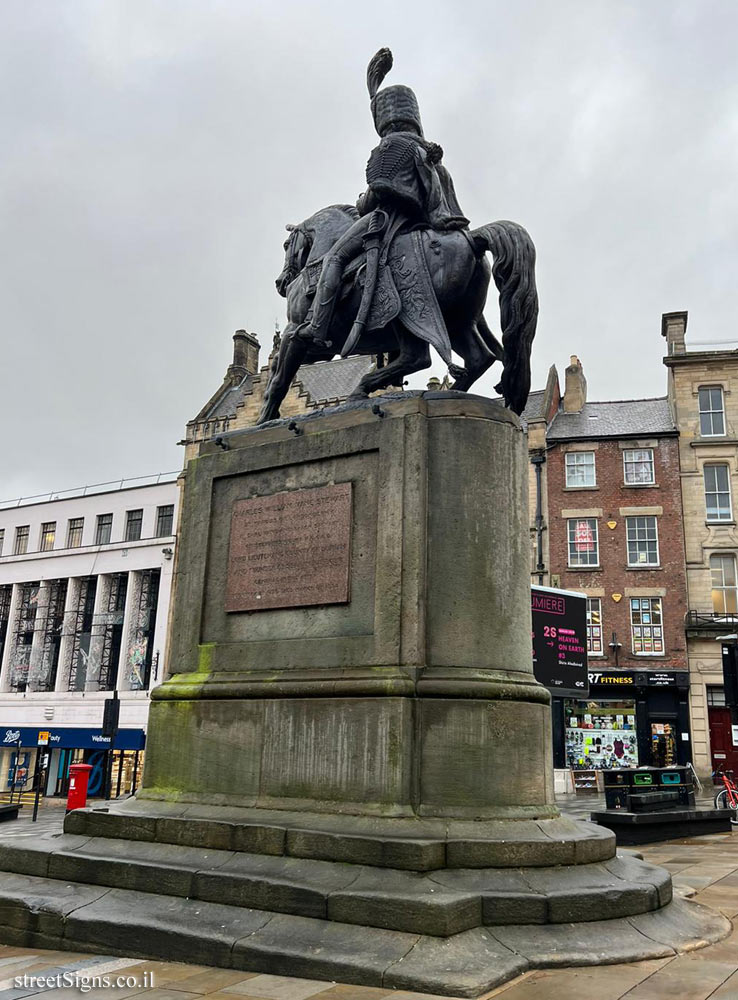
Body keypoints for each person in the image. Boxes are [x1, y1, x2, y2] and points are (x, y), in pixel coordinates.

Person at [300, 48, 469, 354]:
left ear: (385, 120)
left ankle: (316, 326)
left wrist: (362, 202)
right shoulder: (426, 152)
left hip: (389, 221)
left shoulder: (391, 147)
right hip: (425, 222)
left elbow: (377, 191)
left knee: (334, 258)